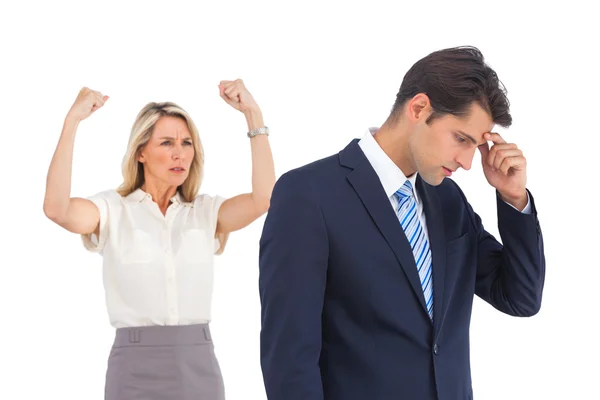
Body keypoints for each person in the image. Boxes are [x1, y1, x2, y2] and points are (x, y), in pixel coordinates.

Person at [258, 46, 545, 400]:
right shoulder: (308, 195)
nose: (468, 162)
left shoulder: (448, 201)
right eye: (461, 139)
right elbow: (289, 359)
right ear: (419, 108)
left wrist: (513, 199)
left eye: (475, 146)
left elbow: (520, 298)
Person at [43, 79, 275, 400]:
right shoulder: (112, 209)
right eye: (167, 143)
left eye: (186, 143)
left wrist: (252, 114)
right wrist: (72, 122)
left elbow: (265, 199)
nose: (180, 153)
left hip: (198, 366)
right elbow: (57, 209)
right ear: (141, 152)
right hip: (133, 368)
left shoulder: (205, 212)